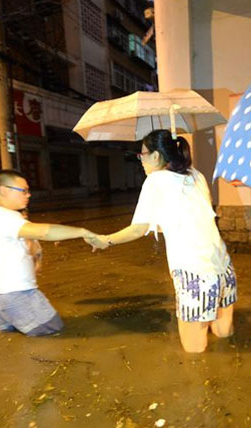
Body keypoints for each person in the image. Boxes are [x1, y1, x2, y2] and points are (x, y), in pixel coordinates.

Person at [92, 130, 237, 353]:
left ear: (157, 156)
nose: (140, 161)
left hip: (194, 274)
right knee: (225, 335)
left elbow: (138, 229)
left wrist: (106, 240)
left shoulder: (155, 181)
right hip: (223, 267)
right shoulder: (195, 174)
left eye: (142, 155)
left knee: (194, 350)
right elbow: (197, 214)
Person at [0, 169, 103, 337]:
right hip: (19, 297)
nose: (29, 195)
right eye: (23, 190)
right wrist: (83, 232)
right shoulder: (6, 217)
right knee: (57, 333)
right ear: (4, 190)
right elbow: (44, 232)